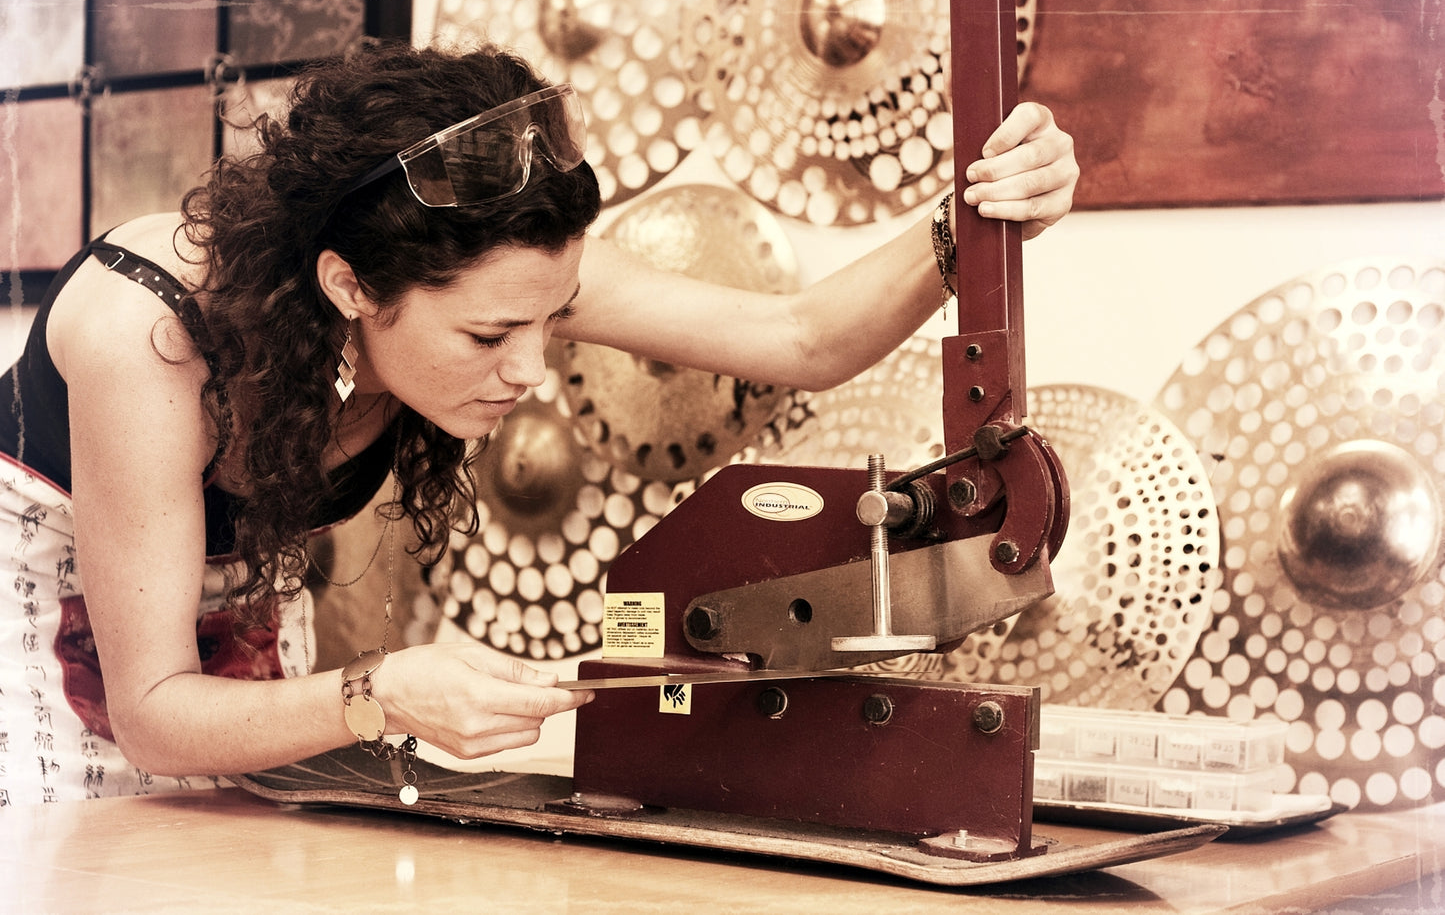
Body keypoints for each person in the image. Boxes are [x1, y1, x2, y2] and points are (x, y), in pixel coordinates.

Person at [0, 40, 1077, 805]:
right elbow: (151, 713)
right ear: (346, 285)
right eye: (487, 338)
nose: (527, 370)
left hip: (226, 677)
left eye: (553, 320)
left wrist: (975, 217)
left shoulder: (498, 270)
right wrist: (382, 692)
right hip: (45, 675)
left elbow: (799, 337)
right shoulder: (151, 336)